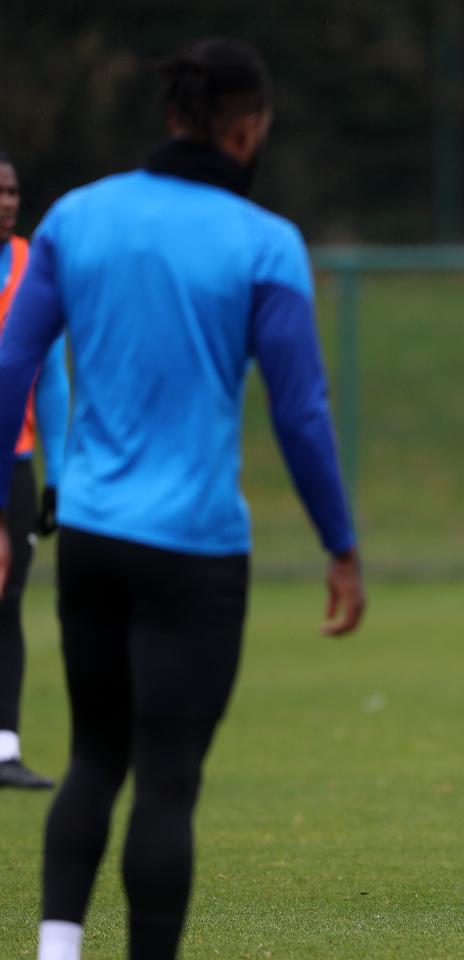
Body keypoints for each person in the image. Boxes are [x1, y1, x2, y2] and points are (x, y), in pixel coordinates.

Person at [0, 39, 365, 960]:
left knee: (92, 756)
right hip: (196, 549)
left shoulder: (75, 218)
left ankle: (54, 949)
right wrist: (340, 545)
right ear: (249, 131)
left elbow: (11, 363)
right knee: (166, 778)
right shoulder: (264, 242)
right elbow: (301, 412)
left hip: (88, 533)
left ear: (170, 118)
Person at [0, 149, 69, 790]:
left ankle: (4, 747)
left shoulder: (33, 263)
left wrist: (58, 473)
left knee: (8, 598)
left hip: (13, 463)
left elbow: (49, 379)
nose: (7, 201)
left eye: (12, 190)